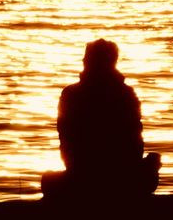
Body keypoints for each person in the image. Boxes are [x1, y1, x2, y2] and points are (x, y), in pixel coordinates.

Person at [42, 38, 162, 202]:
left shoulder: (71, 94)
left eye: (86, 58)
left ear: (91, 62)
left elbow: (66, 141)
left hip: (83, 176)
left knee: (49, 180)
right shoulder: (126, 94)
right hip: (119, 177)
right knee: (149, 168)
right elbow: (135, 143)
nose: (83, 61)